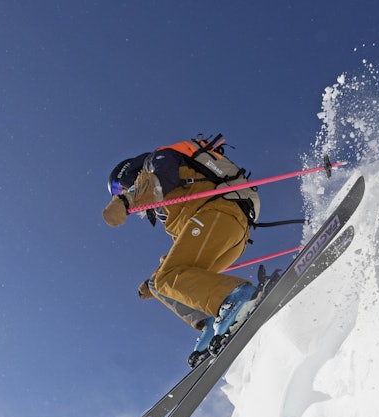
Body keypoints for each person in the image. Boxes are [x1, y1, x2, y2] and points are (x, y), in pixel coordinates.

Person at [102, 140, 262, 367]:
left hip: (219, 213)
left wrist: (126, 200)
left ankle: (235, 297)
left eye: (120, 188)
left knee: (168, 276)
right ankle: (212, 320)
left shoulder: (157, 161)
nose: (122, 192)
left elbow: (158, 180)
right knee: (162, 281)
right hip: (225, 232)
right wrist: (153, 283)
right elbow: (183, 247)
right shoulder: (167, 209)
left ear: (128, 175)